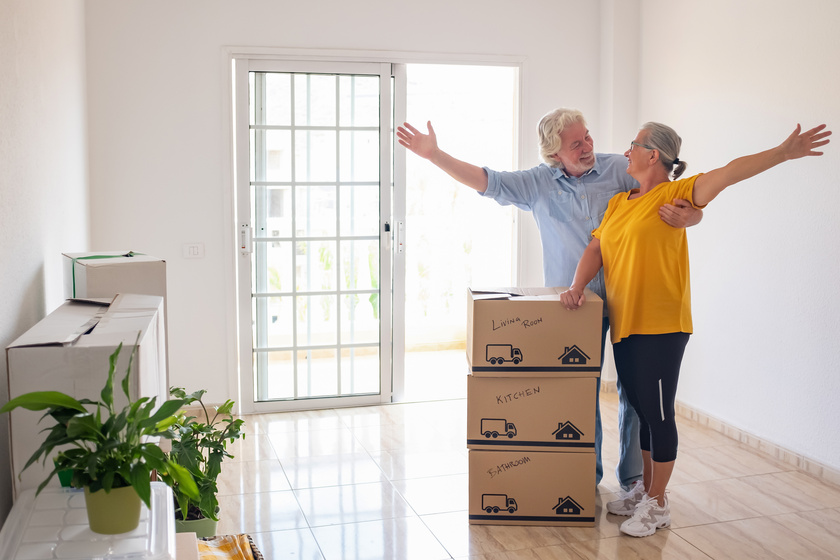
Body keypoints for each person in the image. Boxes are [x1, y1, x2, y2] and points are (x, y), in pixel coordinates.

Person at [396, 109, 703, 491]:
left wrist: (693, 217)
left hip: (630, 297)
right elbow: (486, 180)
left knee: (634, 392)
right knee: (580, 390)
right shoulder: (537, 183)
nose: (588, 147)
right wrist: (435, 155)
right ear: (554, 153)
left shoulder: (619, 168)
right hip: (574, 303)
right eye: (576, 144)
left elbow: (671, 190)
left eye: (588, 137)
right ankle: (584, 479)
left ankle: (634, 481)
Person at [559, 121, 831, 537]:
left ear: (654, 155)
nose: (626, 150)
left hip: (663, 325)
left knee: (660, 414)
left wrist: (782, 152)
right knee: (645, 413)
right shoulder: (619, 203)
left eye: (634, 145)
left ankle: (659, 504)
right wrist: (577, 287)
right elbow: (596, 247)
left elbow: (728, 172)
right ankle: (646, 491)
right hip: (626, 323)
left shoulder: (675, 195)